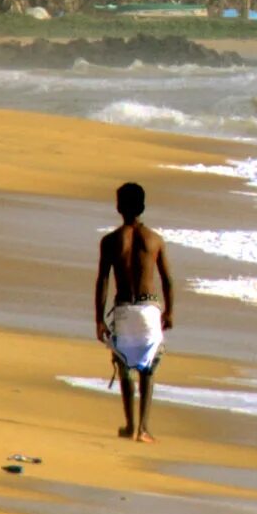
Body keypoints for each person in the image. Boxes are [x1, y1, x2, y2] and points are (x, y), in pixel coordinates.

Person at [93, 181, 174, 444]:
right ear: (143, 206)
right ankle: (143, 429)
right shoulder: (155, 240)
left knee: (125, 366)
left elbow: (103, 280)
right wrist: (170, 312)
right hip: (149, 307)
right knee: (148, 369)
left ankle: (129, 426)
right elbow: (168, 279)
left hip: (124, 307)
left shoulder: (110, 241)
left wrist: (98, 319)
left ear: (118, 206)